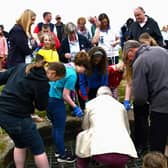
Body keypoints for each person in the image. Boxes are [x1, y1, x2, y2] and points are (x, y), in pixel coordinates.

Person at [0, 59, 66, 168]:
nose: (53, 82)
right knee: (38, 149)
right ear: (52, 73)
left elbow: (1, 78)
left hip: (2, 113)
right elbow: (41, 106)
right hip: (18, 118)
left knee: (20, 144)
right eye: (55, 80)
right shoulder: (43, 83)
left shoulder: (22, 66)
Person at [122, 40, 168, 154]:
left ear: (130, 52)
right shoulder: (161, 50)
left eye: (128, 59)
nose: (130, 61)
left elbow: (140, 97)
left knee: (157, 144)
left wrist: (137, 103)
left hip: (161, 106)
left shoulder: (140, 61)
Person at [75, 86, 137, 168]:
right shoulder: (120, 106)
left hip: (101, 154)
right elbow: (127, 130)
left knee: (82, 136)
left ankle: (82, 166)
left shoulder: (90, 104)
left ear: (97, 95)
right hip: (125, 154)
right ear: (111, 95)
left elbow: (85, 126)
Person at [46, 51, 90, 163]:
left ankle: (58, 150)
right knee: (59, 129)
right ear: (81, 66)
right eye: (85, 69)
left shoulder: (66, 65)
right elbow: (65, 96)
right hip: (56, 101)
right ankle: (62, 156)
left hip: (48, 99)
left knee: (55, 127)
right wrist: (76, 107)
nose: (84, 72)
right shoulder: (72, 75)